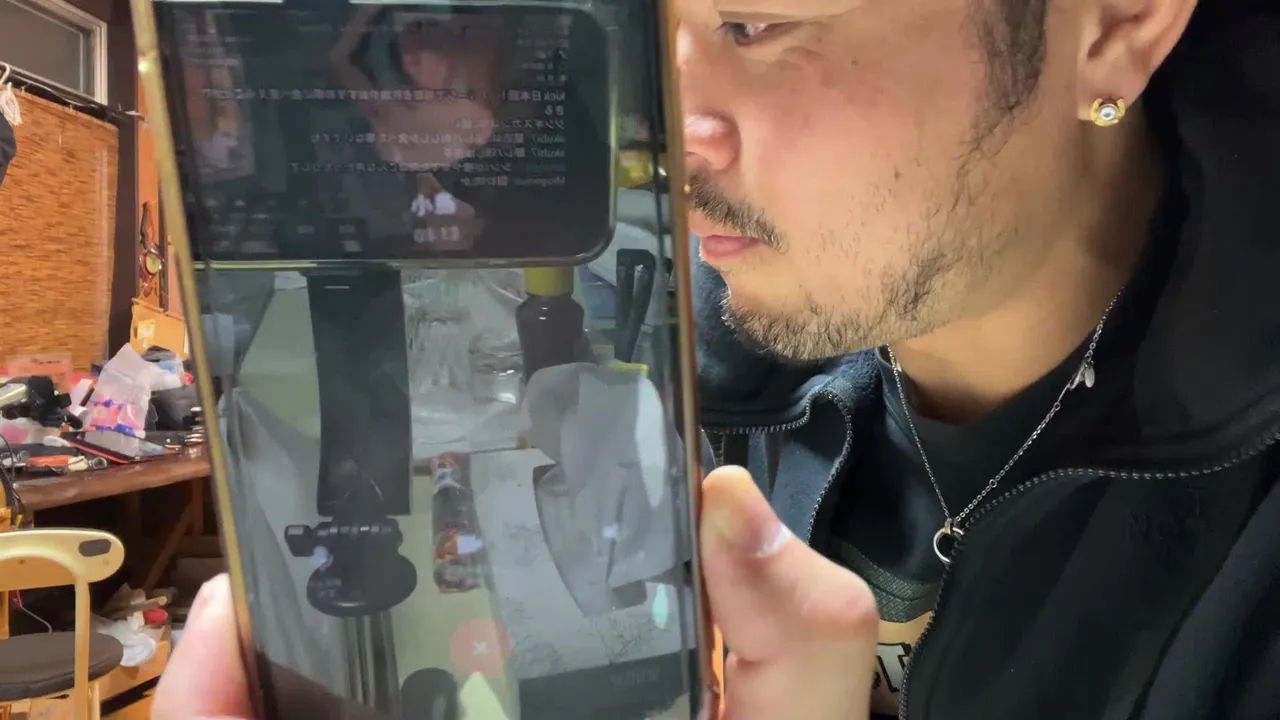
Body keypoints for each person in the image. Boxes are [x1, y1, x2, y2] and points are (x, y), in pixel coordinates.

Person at [156, 0, 1280, 718]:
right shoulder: (685, 370)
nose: (659, 136)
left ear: (1116, 21)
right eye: (647, 42)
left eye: (753, 23)